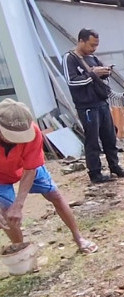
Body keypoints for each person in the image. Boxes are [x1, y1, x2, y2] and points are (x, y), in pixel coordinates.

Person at [0, 99, 97, 255]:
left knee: (55, 195)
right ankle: (21, 252)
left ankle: (78, 237)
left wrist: (19, 204)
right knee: (5, 212)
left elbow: (31, 168)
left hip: (26, 166)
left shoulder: (33, 132)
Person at [63, 28, 124, 184]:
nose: (93, 49)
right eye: (91, 45)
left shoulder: (92, 58)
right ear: (81, 41)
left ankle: (115, 166)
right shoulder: (69, 58)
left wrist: (106, 72)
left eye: (96, 45)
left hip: (102, 103)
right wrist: (93, 73)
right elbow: (72, 81)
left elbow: (100, 78)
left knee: (110, 136)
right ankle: (95, 173)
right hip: (87, 106)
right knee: (92, 140)